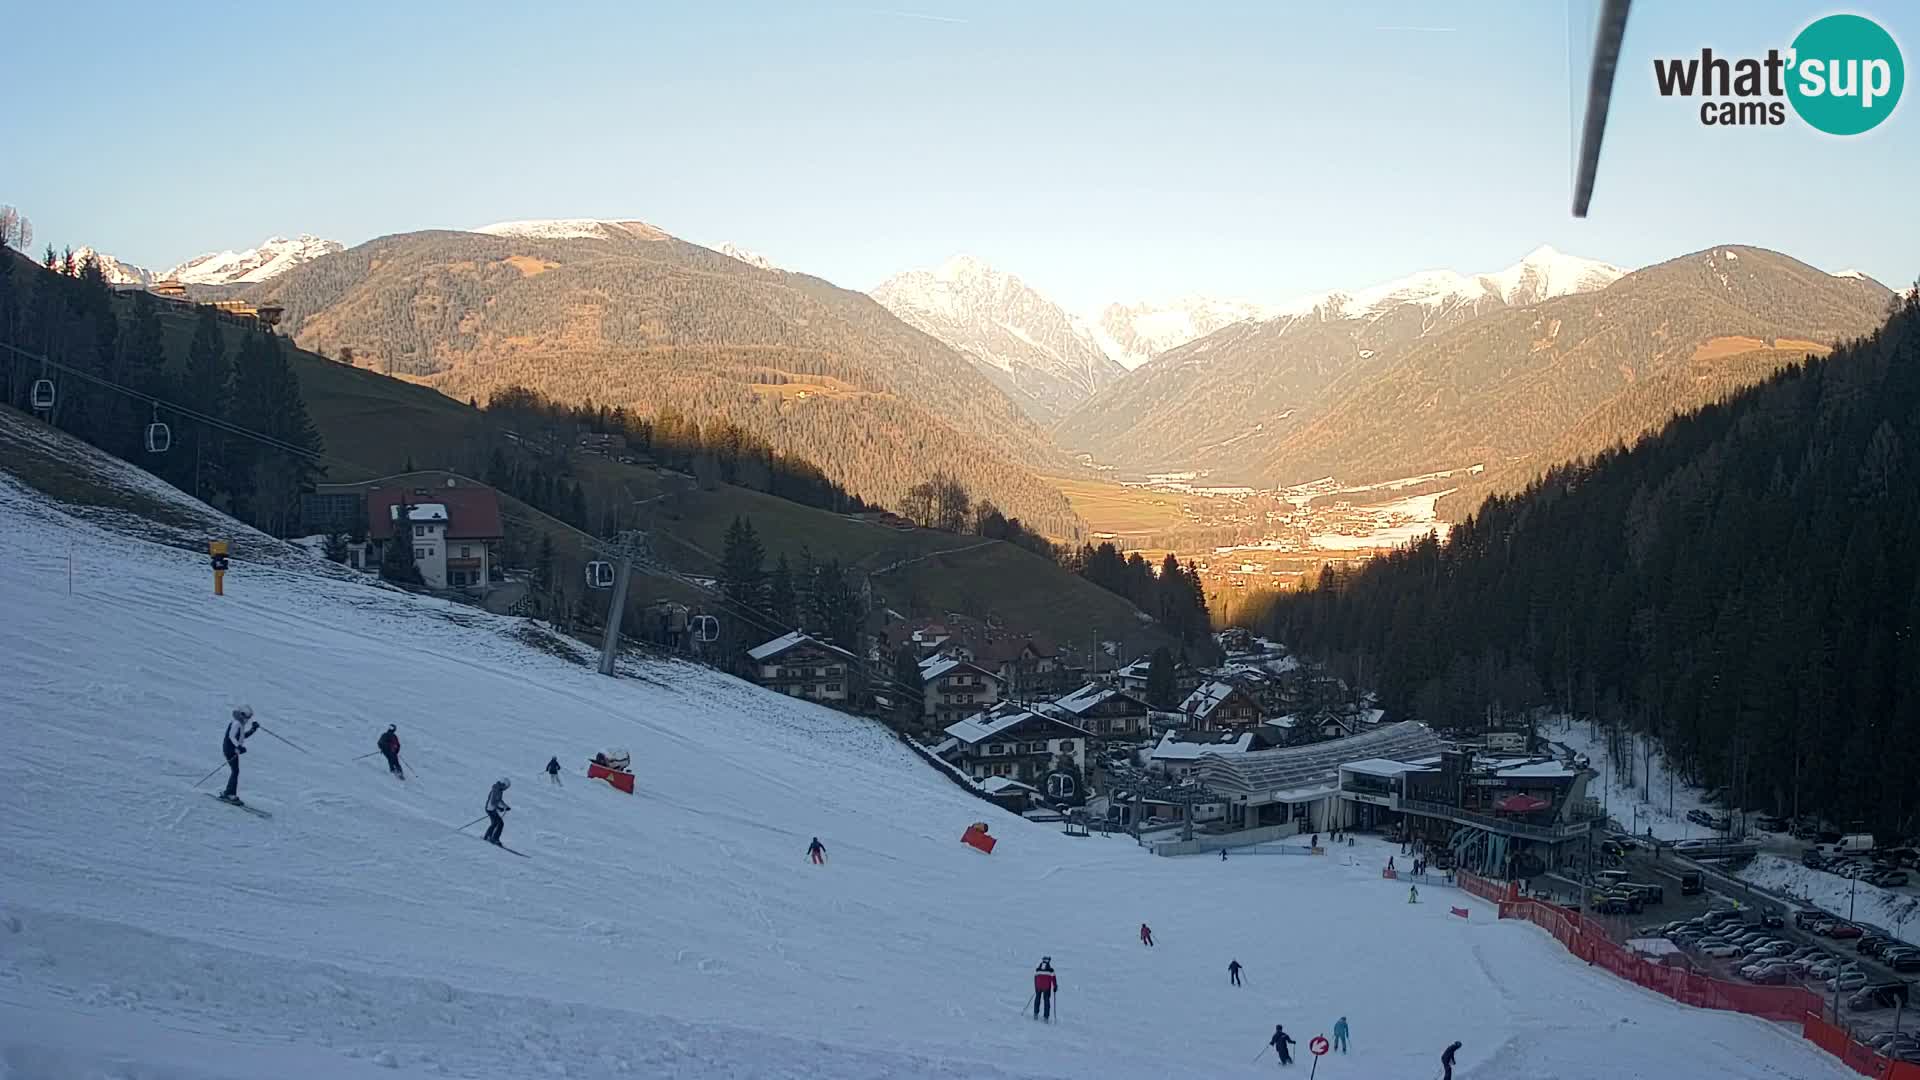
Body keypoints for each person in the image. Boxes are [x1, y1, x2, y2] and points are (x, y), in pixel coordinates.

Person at [220, 705, 258, 802]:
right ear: (242, 715)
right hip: (230, 749)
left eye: (249, 718)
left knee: (235, 771)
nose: (247, 720)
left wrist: (253, 729)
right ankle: (229, 794)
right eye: (247, 718)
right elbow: (231, 736)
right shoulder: (236, 723)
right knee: (235, 771)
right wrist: (238, 747)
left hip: (233, 749)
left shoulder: (240, 724)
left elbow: (242, 737)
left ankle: (228, 793)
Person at [484, 778, 511, 845]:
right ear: (504, 784)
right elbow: (493, 802)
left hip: (491, 809)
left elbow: (499, 800)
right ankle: (494, 838)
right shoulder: (497, 790)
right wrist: (499, 808)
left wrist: (505, 806)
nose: (506, 789)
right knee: (499, 823)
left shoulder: (498, 789)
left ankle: (488, 836)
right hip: (490, 809)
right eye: (506, 787)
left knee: (496, 823)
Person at [1032, 957, 1057, 1021]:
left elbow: (1035, 979)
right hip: (1046, 988)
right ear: (1048, 961)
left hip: (1038, 987)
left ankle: (1035, 1014)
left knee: (1037, 1000)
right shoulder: (1051, 970)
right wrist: (1055, 987)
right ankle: (1046, 1017)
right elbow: (1053, 979)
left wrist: (1036, 987)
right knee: (1046, 1001)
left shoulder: (1037, 969)